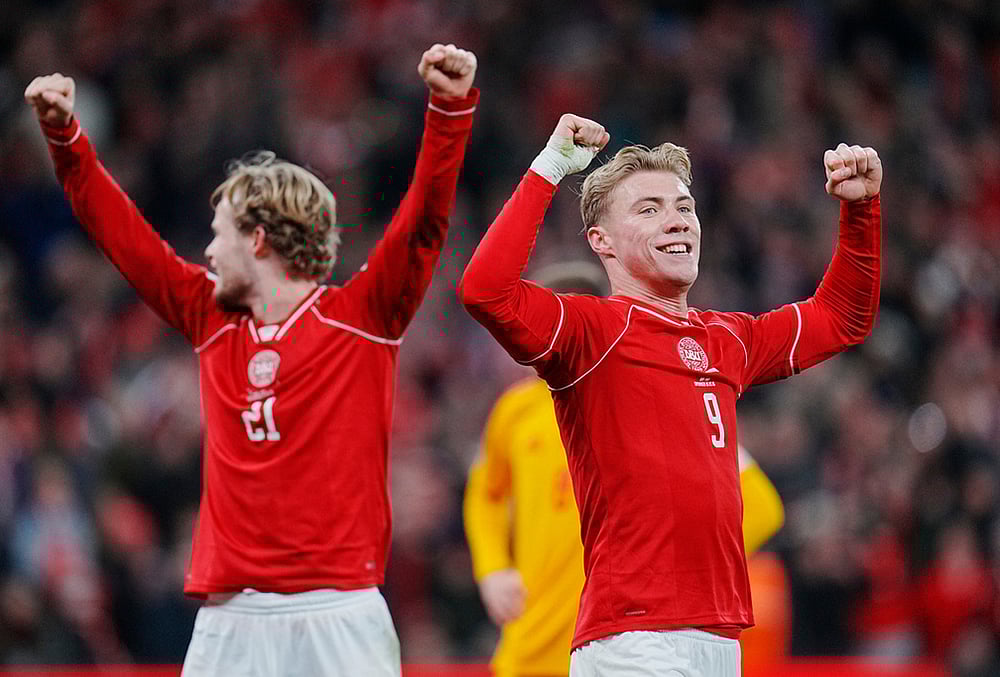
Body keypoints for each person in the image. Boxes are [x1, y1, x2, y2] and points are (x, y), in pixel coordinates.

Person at [24, 42, 478, 676]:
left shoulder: (362, 317)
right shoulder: (210, 320)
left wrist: (447, 110)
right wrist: (65, 139)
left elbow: (424, 220)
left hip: (339, 610)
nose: (207, 250)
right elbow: (121, 235)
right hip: (230, 617)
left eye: (219, 232)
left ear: (259, 238)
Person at [460, 113, 881, 675]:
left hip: (718, 636)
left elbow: (841, 317)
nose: (677, 220)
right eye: (649, 209)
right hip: (633, 638)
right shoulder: (591, 333)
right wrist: (552, 166)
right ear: (601, 242)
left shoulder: (726, 338)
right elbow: (486, 291)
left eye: (684, 206)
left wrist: (859, 210)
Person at [464, 260, 784, 677]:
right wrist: (491, 569)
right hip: (532, 646)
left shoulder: (659, 396)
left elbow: (761, 508)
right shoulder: (515, 412)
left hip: (631, 640)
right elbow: (484, 495)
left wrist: (677, 573)